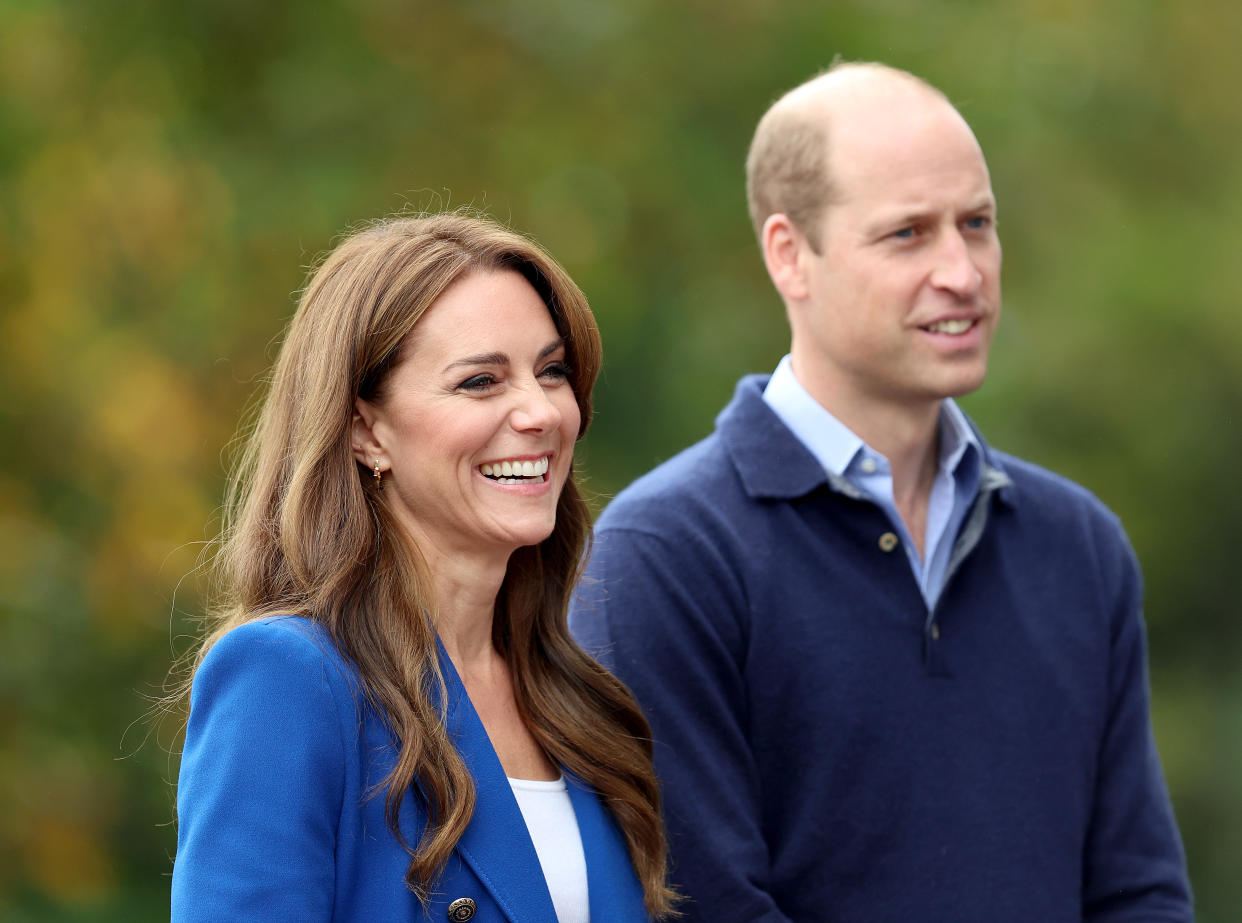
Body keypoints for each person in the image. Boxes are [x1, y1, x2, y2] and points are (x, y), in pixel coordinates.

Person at [569, 62, 1192, 921]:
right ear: (790, 255)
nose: (963, 272)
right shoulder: (665, 556)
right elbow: (699, 904)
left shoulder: (1077, 545)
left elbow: (1138, 892)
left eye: (977, 223)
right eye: (908, 234)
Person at [171, 213, 676, 921]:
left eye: (552, 370)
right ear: (364, 430)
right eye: (480, 381)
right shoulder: (289, 679)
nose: (540, 411)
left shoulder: (578, 700)